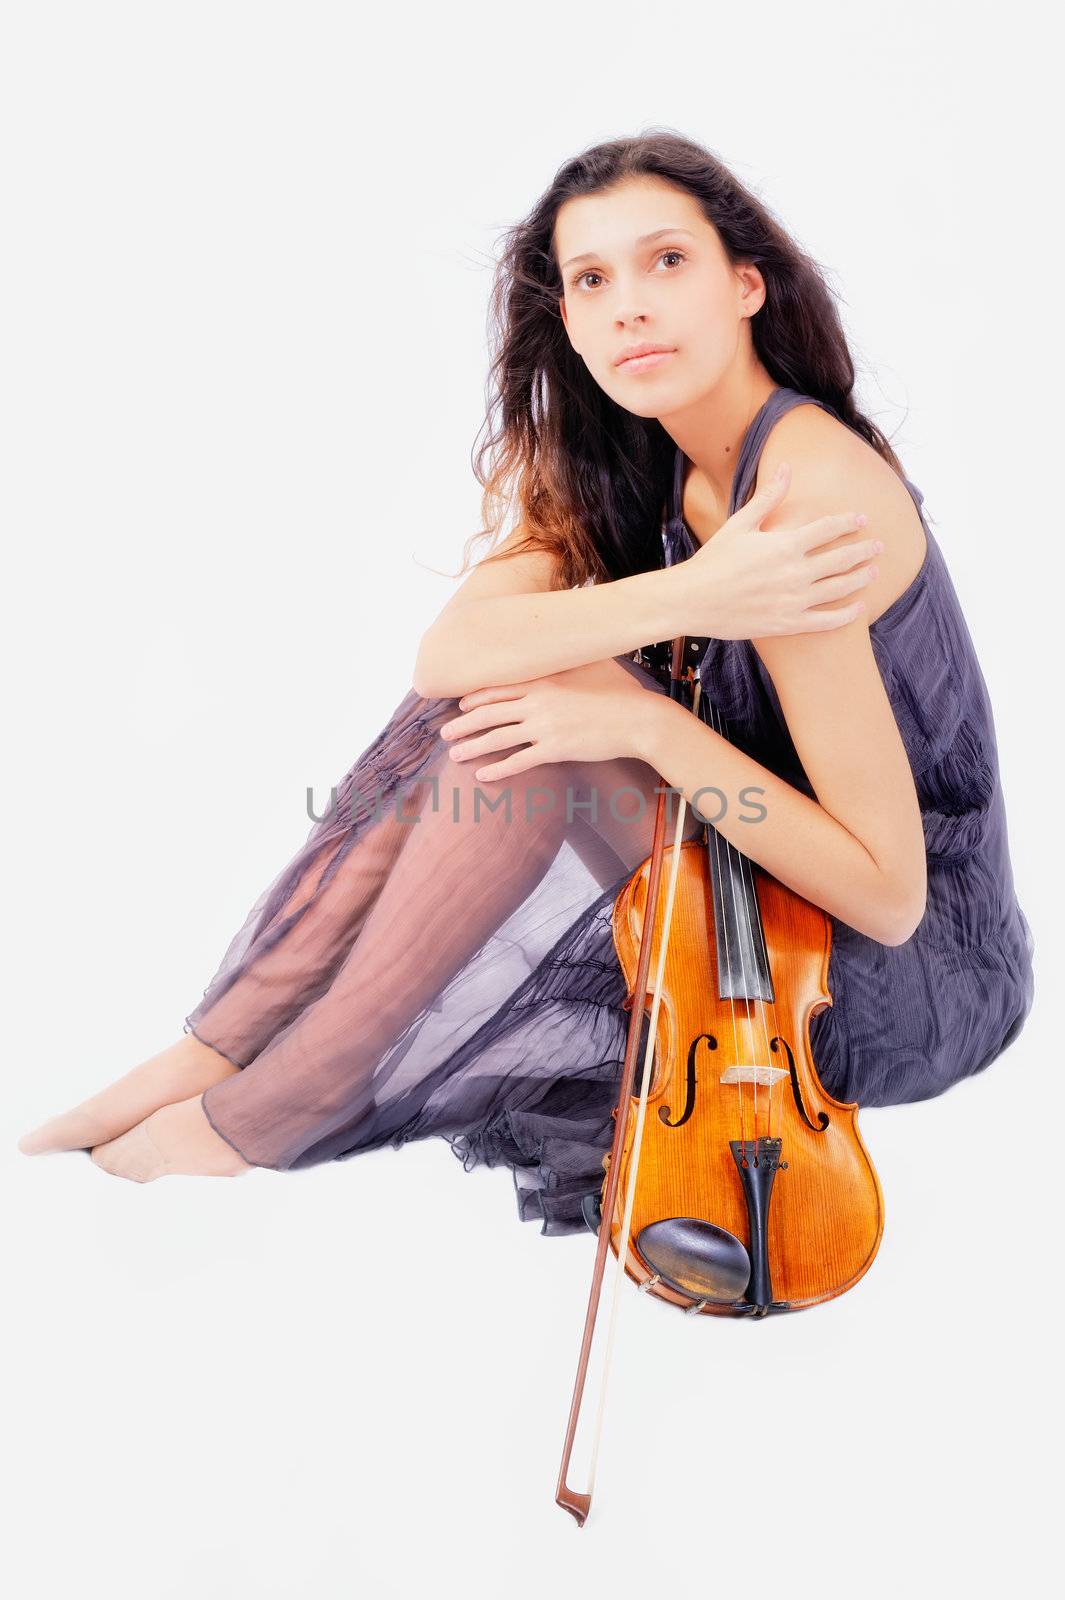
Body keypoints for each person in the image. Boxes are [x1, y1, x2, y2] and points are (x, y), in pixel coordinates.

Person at [19, 131, 1035, 1234]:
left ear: (748, 283)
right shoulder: (636, 452)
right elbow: (447, 658)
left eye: (666, 263)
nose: (629, 307)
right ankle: (216, 1058)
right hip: (755, 883)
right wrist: (696, 599)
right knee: (499, 692)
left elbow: (888, 890)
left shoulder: (803, 491)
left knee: (520, 737)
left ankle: (269, 1097)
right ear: (568, 319)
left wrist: (639, 719)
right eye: (592, 280)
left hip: (886, 978)